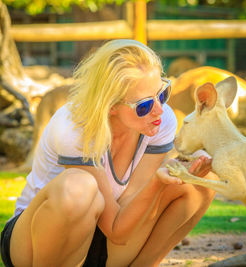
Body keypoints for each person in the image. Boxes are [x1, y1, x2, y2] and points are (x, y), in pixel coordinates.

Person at [0, 39, 215, 267]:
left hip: (107, 239)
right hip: (35, 244)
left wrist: (162, 180)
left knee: (201, 181)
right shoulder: (74, 126)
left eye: (162, 94)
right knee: (79, 187)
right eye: (143, 106)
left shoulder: (161, 121)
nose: (159, 109)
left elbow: (125, 220)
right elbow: (116, 229)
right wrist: (156, 182)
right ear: (111, 105)